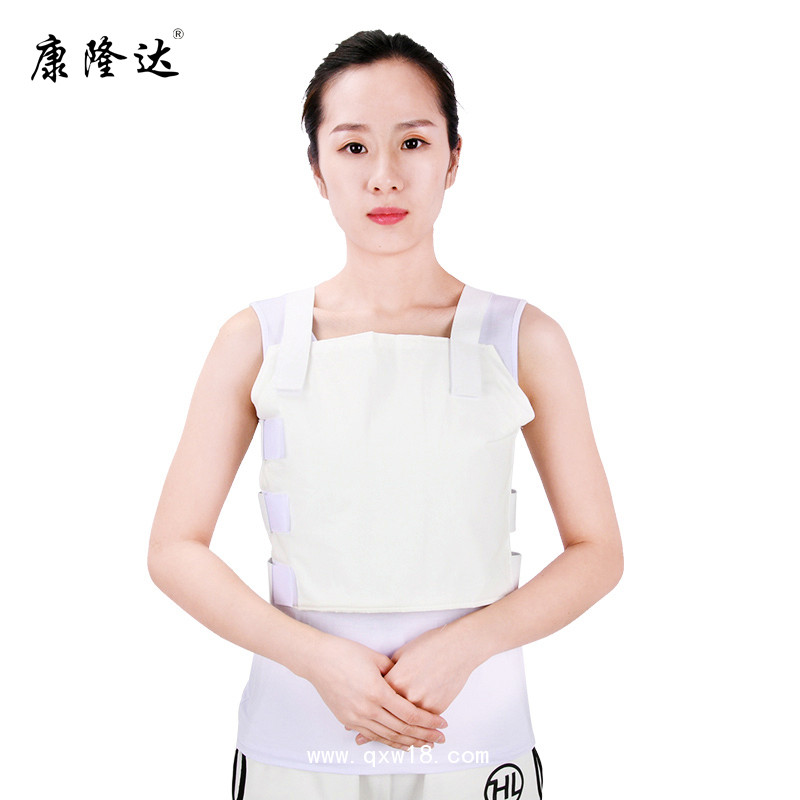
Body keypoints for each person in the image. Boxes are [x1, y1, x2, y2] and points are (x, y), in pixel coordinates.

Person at [147, 29, 623, 800]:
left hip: (474, 738)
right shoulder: (257, 340)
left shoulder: (523, 337)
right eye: (353, 147)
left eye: (413, 142)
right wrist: (316, 659)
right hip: (298, 738)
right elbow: (173, 548)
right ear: (317, 169)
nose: (385, 176)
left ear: (453, 159)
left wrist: (469, 644)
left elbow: (598, 551)